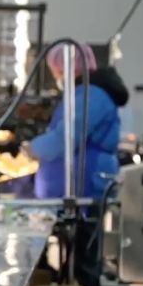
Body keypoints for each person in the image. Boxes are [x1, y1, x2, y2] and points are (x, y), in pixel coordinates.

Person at [24, 43, 125, 199]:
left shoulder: (92, 96)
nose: (57, 77)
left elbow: (66, 137)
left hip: (85, 185)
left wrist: (34, 148)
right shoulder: (81, 94)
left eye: (57, 72)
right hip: (72, 189)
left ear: (67, 69)